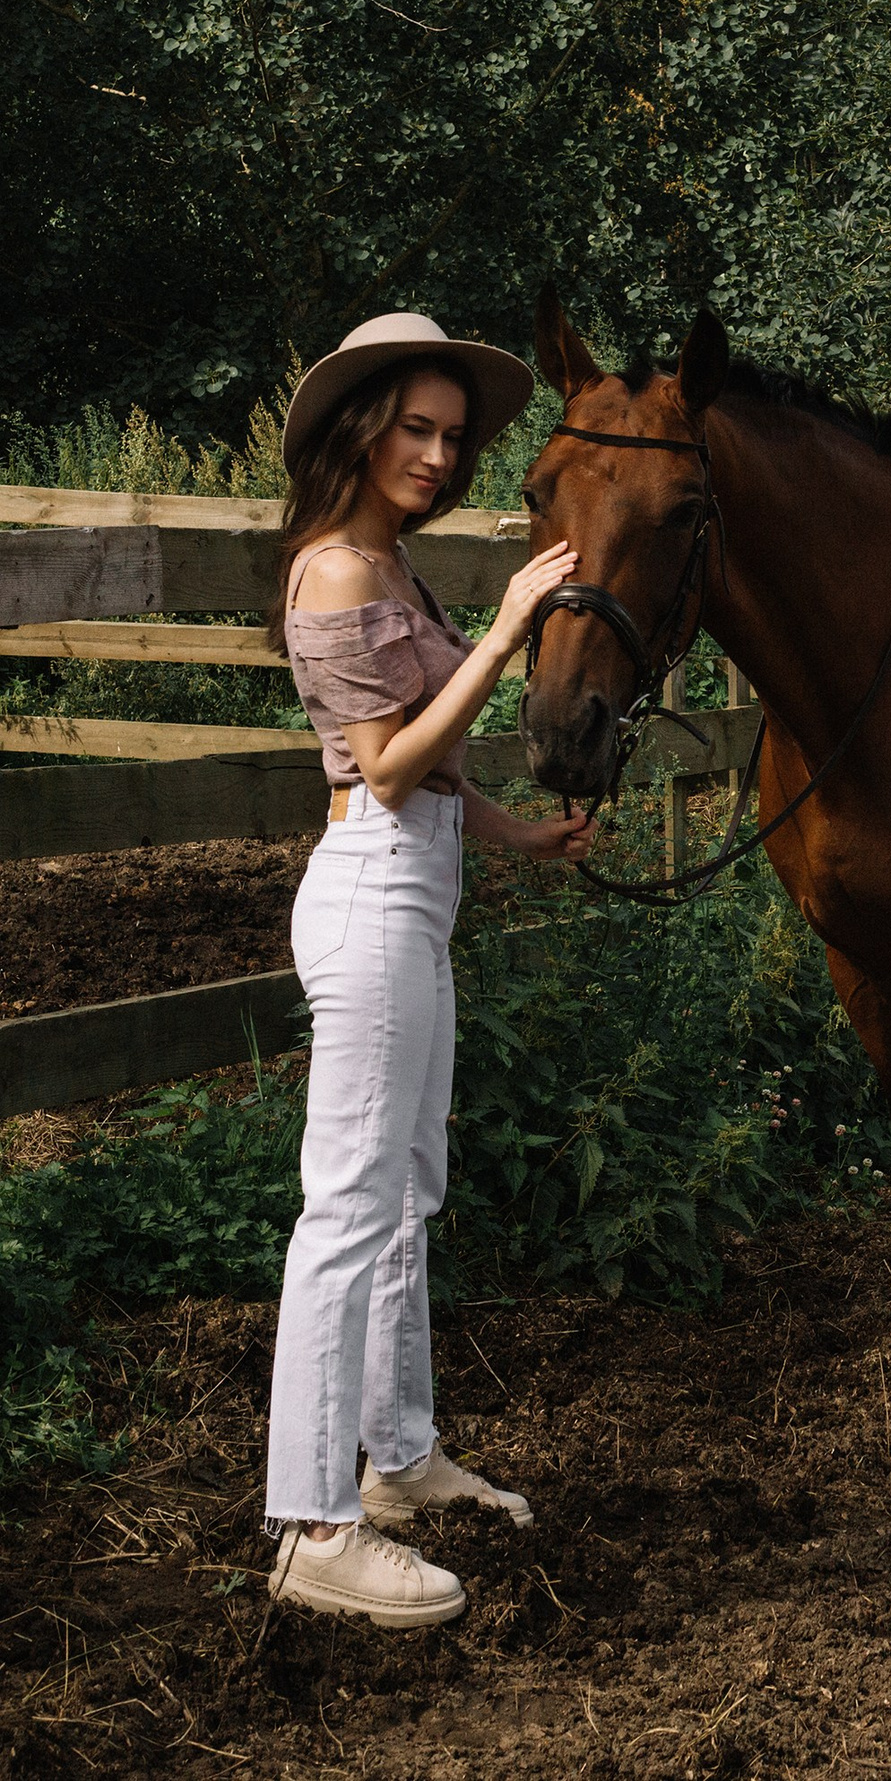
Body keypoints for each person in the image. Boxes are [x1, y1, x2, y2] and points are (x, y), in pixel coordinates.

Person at [262, 312, 594, 1627]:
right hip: (372, 904)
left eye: (454, 436)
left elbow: (425, 774)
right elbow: (390, 767)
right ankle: (309, 1522)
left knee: (404, 1187)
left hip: (414, 891)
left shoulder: (391, 568)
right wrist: (511, 627)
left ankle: (398, 1459)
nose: (439, 452)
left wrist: (524, 835)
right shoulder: (340, 572)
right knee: (345, 1208)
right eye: (418, 426)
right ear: (364, 424)